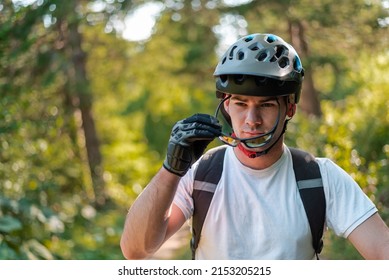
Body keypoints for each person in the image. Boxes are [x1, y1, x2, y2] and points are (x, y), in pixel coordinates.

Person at [120, 33, 389, 260]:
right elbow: (136, 250)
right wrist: (172, 168)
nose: (252, 121)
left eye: (266, 105)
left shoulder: (320, 177)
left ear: (290, 109)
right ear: (226, 106)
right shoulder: (202, 173)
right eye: (240, 104)